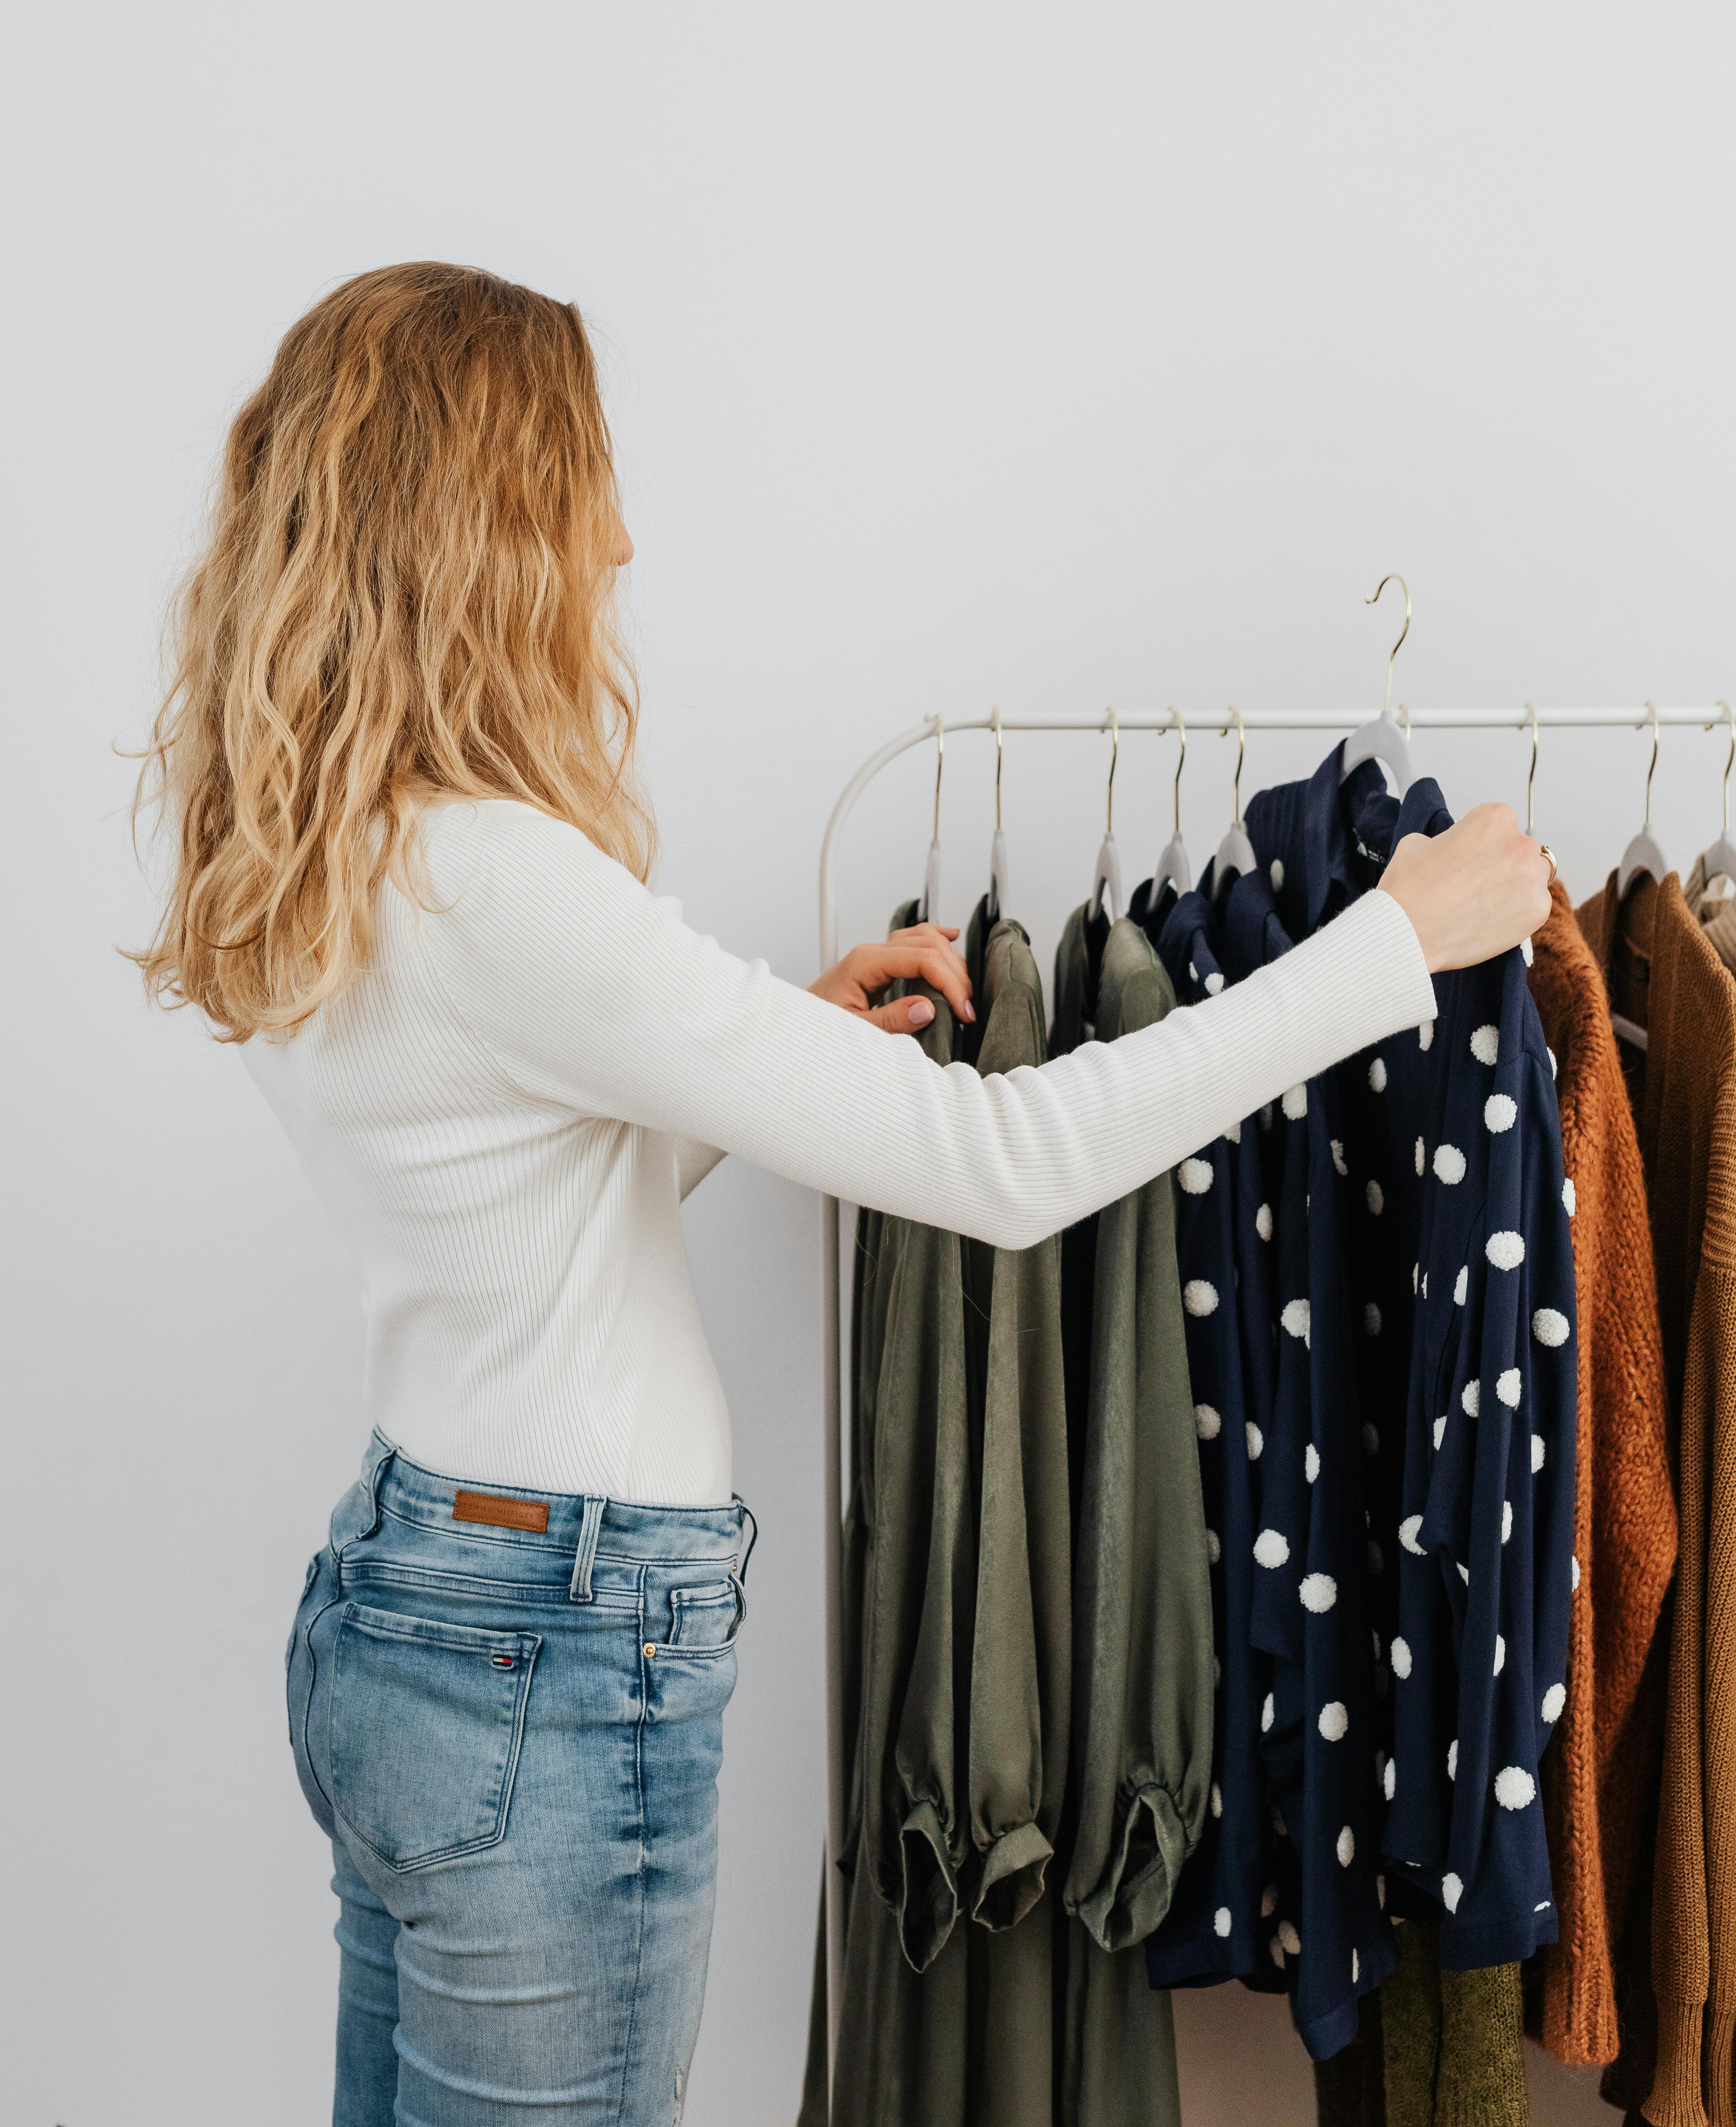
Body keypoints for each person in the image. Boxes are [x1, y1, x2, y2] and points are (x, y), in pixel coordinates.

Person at [133, 262, 1550, 2127]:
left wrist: (773, 1043)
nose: (621, 546)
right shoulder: (501, 880)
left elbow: (517, 1187)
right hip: (547, 1666)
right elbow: (1003, 1165)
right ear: (482, 524)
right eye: (587, 494)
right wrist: (1386, 947)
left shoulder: (339, 853)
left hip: (405, 1604)